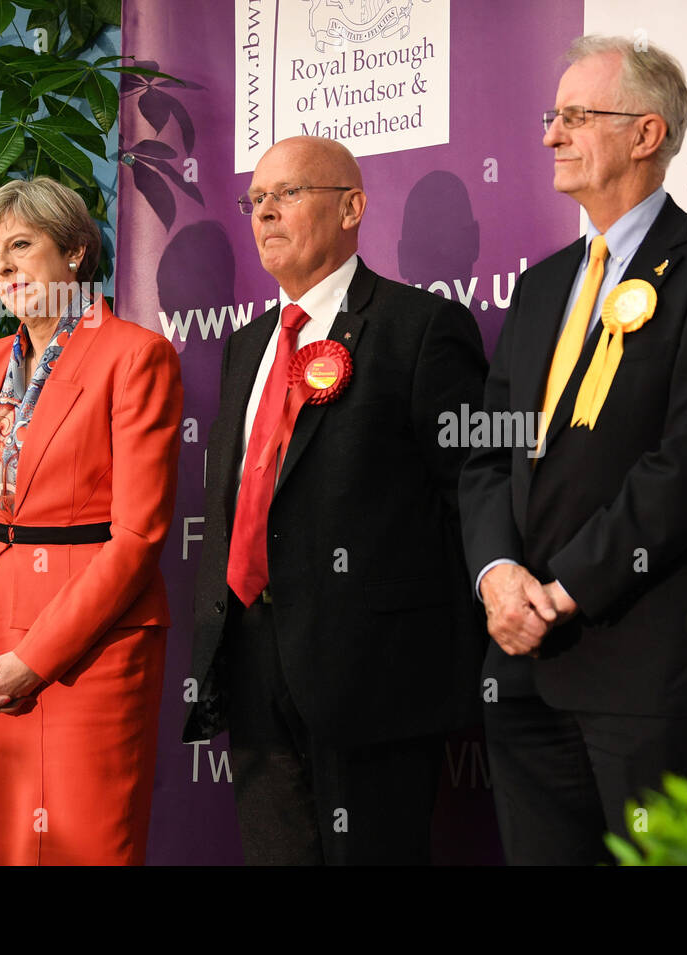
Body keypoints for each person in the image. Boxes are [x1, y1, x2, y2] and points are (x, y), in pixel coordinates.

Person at [458, 35, 687, 865]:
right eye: (551, 116)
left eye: (575, 116)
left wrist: (563, 590)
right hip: (522, 666)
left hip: (650, 674)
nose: (551, 135)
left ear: (646, 134)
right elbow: (489, 452)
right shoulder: (539, 286)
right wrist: (498, 578)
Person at [184, 136, 487, 865]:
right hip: (249, 663)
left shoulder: (418, 328)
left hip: (372, 677)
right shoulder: (246, 345)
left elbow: (469, 495)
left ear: (351, 206)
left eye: (287, 194)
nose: (265, 213)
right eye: (255, 200)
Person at [0, 176, 183, 865]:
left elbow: (137, 538)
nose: (2, 269)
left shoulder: (136, 356)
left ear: (74, 250)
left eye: (20, 246)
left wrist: (36, 659)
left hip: (92, 645)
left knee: (88, 842)